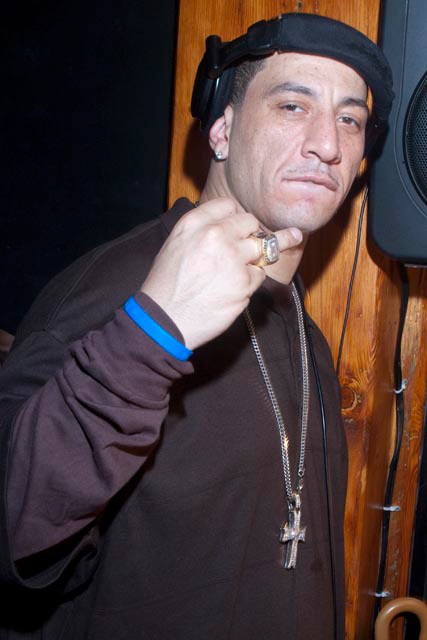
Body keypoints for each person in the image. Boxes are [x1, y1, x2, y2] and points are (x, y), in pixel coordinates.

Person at [0, 12, 393, 640]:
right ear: (222, 129)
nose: (328, 144)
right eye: (293, 106)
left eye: (350, 120)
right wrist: (149, 335)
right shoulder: (114, 294)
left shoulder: (306, 337)